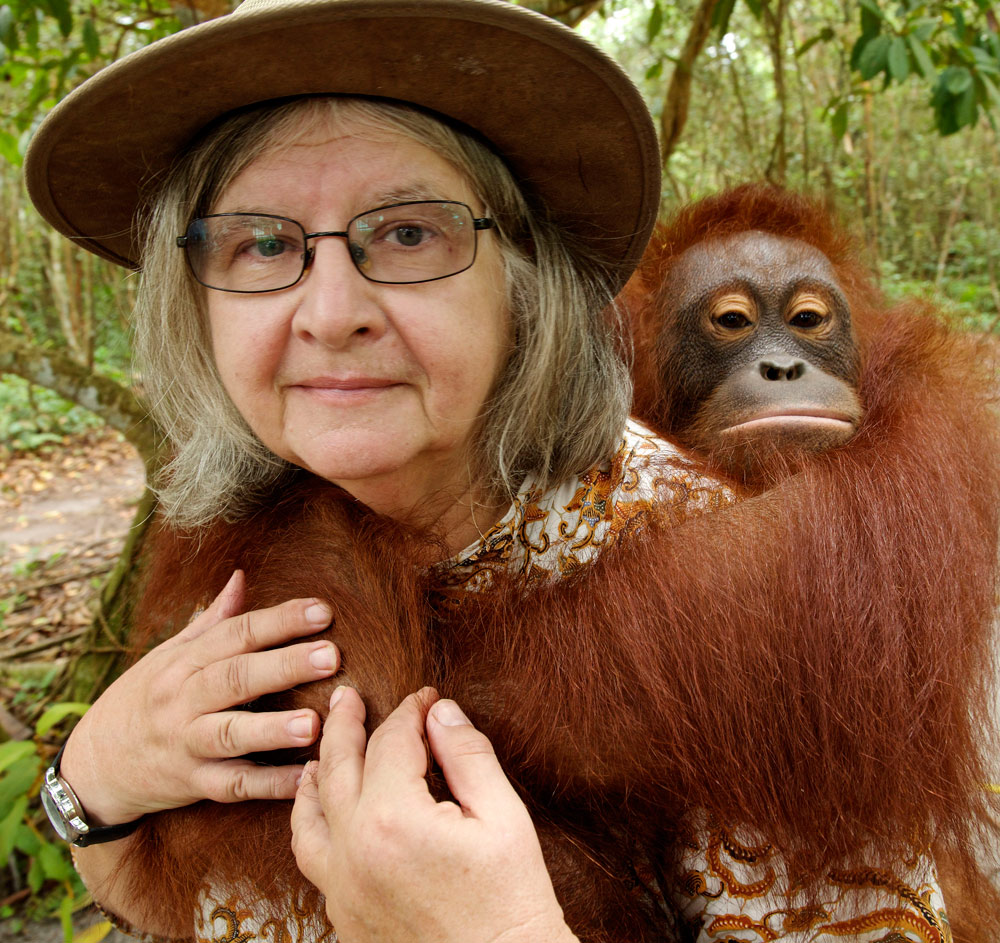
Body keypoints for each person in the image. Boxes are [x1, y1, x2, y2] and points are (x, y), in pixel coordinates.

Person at [25, 1, 991, 941]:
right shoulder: (243, 528)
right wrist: (92, 782)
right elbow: (186, 900)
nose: (328, 313)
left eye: (408, 233)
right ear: (195, 304)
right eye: (262, 242)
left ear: (525, 281)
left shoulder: (756, 583)